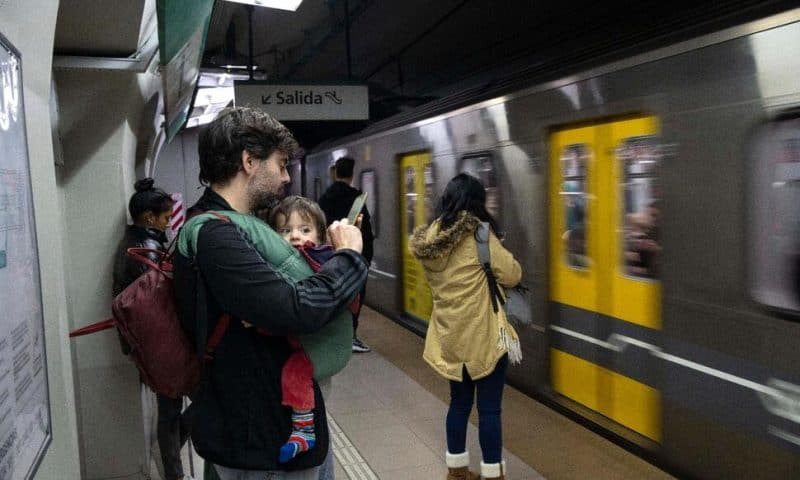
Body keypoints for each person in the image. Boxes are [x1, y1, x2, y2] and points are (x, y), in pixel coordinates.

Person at [173, 107, 368, 480]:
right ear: (248, 161)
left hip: (260, 429)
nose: (284, 177)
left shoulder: (235, 229)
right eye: (280, 164)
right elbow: (297, 309)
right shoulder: (216, 236)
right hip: (259, 440)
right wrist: (348, 259)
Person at [409, 173, 522, 480]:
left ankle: (456, 471)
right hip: (484, 336)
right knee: (489, 409)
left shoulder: (432, 235)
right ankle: (492, 473)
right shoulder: (480, 235)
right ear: (477, 202)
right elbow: (511, 274)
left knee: (458, 404)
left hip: (450, 335)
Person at [267, 195, 360, 479]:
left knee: (300, 383)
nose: (295, 236)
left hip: (315, 351)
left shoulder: (323, 260)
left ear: (320, 235)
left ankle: (303, 430)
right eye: (285, 230)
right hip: (301, 347)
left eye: (305, 229)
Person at [112, 178, 191, 480]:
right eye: (165, 217)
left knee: (169, 406)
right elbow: (160, 302)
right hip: (160, 341)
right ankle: (172, 464)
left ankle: (172, 461)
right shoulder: (146, 248)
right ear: (149, 218)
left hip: (148, 341)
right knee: (190, 402)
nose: (169, 221)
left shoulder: (137, 242)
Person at [318, 156, 374, 353]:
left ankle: (334, 334)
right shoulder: (357, 199)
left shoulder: (324, 198)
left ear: (336, 173)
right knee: (355, 295)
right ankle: (350, 336)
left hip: (329, 254)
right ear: (351, 174)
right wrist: (365, 258)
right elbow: (364, 231)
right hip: (352, 252)